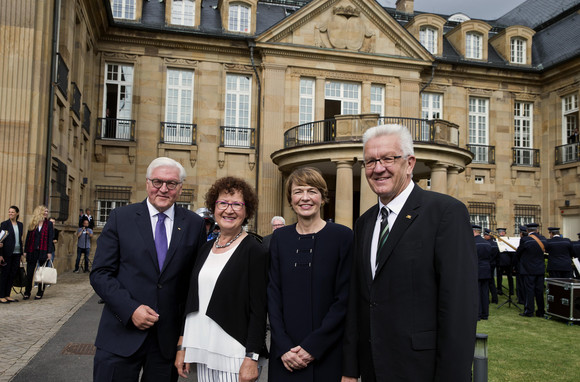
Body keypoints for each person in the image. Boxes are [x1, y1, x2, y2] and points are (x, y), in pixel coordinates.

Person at [342, 124, 478, 381]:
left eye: (388, 158)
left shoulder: (445, 213)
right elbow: (358, 300)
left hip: (421, 370)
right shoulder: (365, 222)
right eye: (370, 161)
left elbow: (460, 307)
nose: (378, 168)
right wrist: (350, 369)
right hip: (373, 368)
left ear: (410, 163)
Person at [90, 157, 206, 382]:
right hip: (120, 335)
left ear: (180, 188)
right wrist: (131, 309)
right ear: (147, 183)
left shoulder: (194, 224)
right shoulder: (120, 218)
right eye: (157, 182)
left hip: (166, 344)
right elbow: (100, 273)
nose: (163, 189)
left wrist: (185, 340)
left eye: (171, 183)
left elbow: (194, 285)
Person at [175, 176, 269, 382]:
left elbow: (259, 310)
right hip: (201, 349)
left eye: (237, 204)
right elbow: (192, 299)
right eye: (223, 203)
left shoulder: (254, 250)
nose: (229, 210)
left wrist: (252, 357)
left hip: (234, 353)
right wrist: (183, 346)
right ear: (213, 207)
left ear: (246, 211)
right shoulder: (206, 248)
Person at [268, 168, 353, 381]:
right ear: (290, 199)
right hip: (285, 357)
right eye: (298, 192)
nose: (305, 198)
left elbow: (344, 299)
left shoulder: (343, 237)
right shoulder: (280, 239)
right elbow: (273, 293)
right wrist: (284, 346)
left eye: (312, 191)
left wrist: (313, 347)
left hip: (327, 354)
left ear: (323, 198)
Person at [23, 205, 54, 300]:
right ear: (39, 212)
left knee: (41, 273)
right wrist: (25, 251)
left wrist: (49, 252)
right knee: (30, 272)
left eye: (47, 212)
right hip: (32, 250)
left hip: (43, 250)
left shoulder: (49, 224)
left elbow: (50, 239)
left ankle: (40, 292)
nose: (46, 213)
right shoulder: (33, 223)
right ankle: (27, 292)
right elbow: (28, 238)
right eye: (44, 211)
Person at [516, 223, 546, 317]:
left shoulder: (525, 240)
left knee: (529, 290)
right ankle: (541, 311)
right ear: (537, 230)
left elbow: (519, 253)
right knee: (539, 291)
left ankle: (529, 311)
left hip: (528, 269)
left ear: (527, 230)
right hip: (540, 268)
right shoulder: (543, 239)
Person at [0, 206, 24, 303]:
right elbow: (1, 240)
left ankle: (7, 294)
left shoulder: (20, 225)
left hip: (17, 253)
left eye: (13, 212)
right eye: (9, 212)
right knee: (4, 274)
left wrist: (21, 254)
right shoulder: (4, 224)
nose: (10, 214)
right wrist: (0, 255)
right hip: (6, 253)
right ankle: (1, 295)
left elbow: (20, 240)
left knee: (12, 274)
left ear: (17, 213)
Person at [474, 225, 492, 320]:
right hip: (486, 269)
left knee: (476, 292)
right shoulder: (487, 243)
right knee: (485, 292)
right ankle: (485, 313)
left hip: (476, 269)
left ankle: (478, 313)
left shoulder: (473, 243)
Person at [496, 228, 515, 296]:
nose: (501, 233)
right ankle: (499, 290)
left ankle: (511, 290)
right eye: (500, 232)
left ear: (505, 233)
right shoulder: (496, 240)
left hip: (507, 261)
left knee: (509, 276)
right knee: (500, 277)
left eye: (502, 232)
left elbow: (512, 252)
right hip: (501, 261)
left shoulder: (508, 241)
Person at [484, 228, 499, 303]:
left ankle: (487, 298)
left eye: (485, 235)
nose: (484, 237)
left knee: (486, 282)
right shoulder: (495, 244)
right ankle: (495, 298)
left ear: (488, 236)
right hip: (493, 264)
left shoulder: (486, 244)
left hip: (487, 264)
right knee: (492, 282)